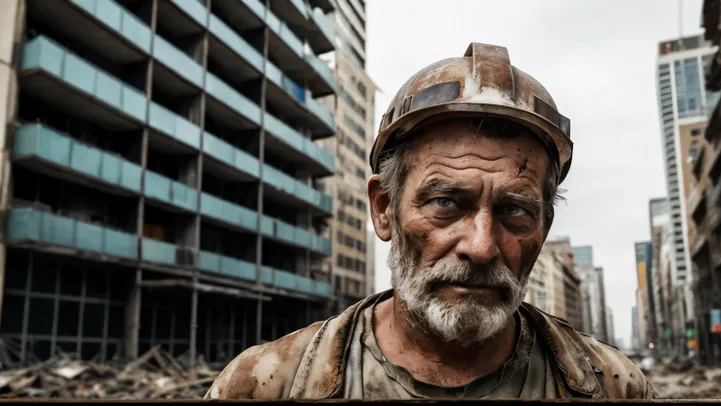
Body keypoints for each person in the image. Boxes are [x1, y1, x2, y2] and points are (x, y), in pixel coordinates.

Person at [204, 42, 656, 400]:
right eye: (445, 203)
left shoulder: (614, 389)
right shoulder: (266, 385)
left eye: (515, 211)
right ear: (383, 208)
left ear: (545, 227)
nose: (481, 247)